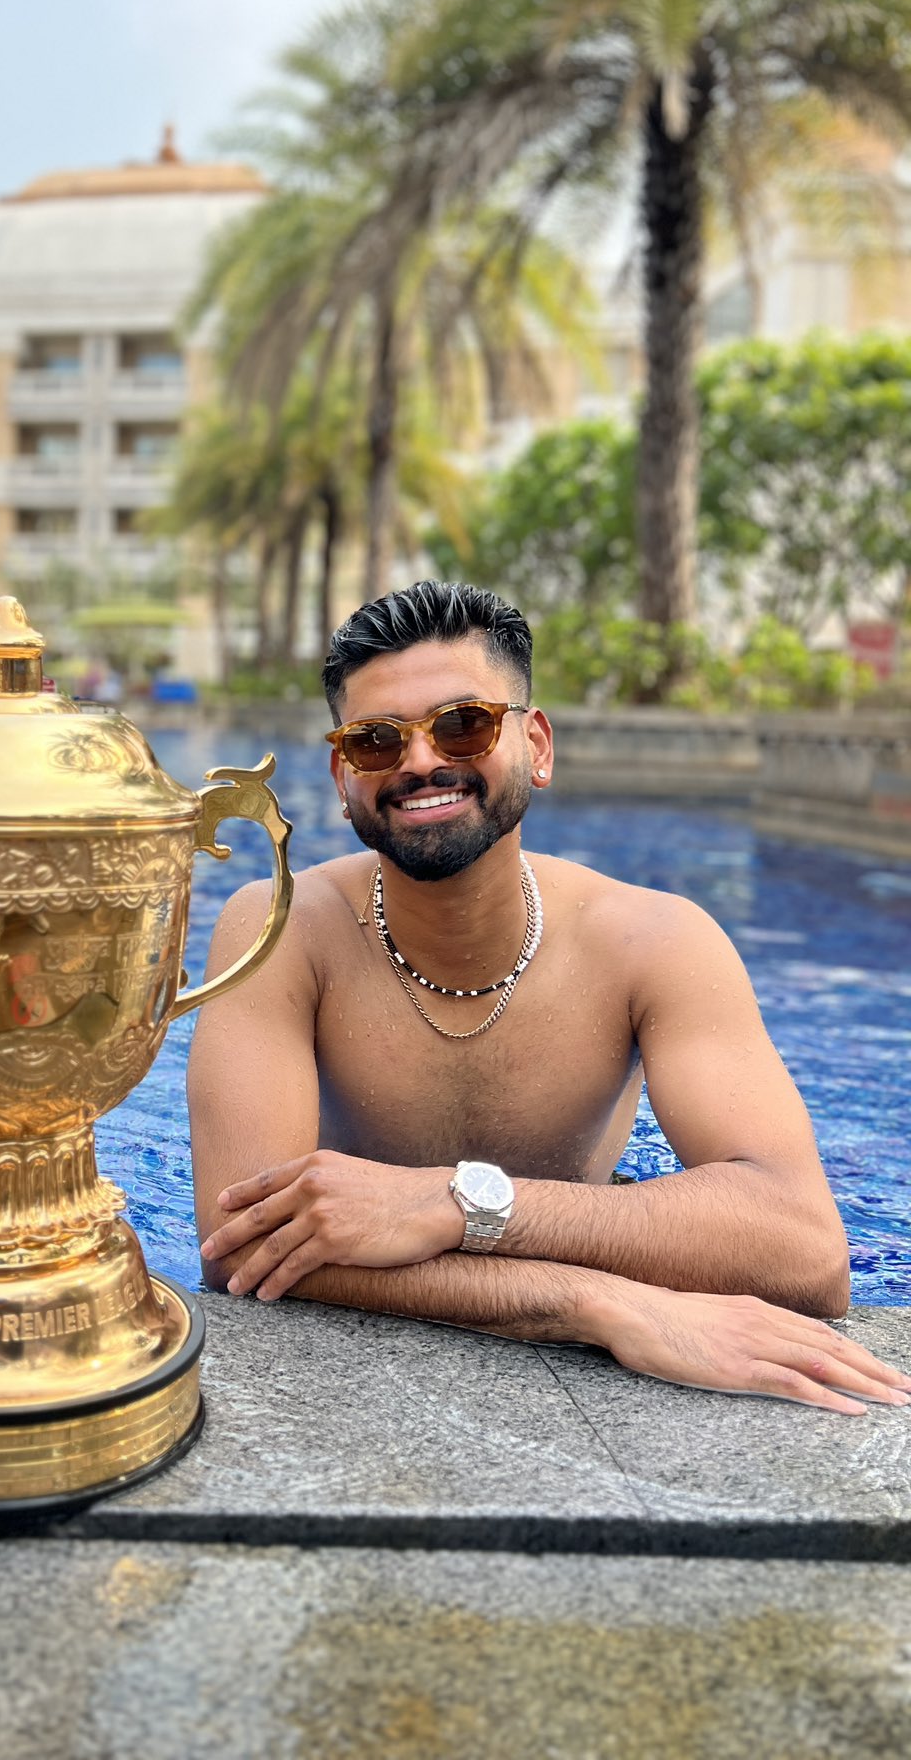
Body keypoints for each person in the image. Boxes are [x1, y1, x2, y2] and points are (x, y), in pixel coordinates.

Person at [189, 582, 910, 1415]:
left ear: (535, 745)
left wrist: (457, 1205)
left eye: (463, 724)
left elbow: (806, 1249)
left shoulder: (655, 942)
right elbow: (240, 1247)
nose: (421, 762)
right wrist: (596, 1303)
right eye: (378, 741)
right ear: (343, 777)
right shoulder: (279, 929)